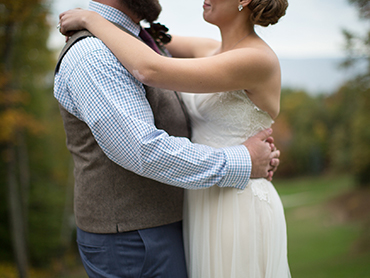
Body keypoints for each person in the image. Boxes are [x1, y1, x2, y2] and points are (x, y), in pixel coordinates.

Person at [55, 0, 281, 277]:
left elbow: (150, 68)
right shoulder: (209, 49)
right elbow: (145, 40)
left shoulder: (256, 59)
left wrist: (91, 19)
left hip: (235, 203)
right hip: (200, 203)